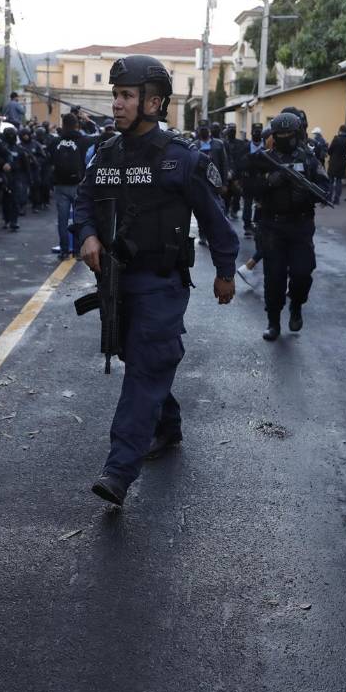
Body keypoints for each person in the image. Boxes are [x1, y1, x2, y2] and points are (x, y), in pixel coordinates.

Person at [74, 55, 238, 507]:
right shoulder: (106, 153)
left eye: (126, 96)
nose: (117, 104)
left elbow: (217, 222)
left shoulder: (181, 159)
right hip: (117, 282)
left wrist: (225, 272)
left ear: (154, 102)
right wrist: (87, 234)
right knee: (137, 358)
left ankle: (118, 471)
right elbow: (83, 203)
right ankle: (167, 426)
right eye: (116, 95)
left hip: (162, 284)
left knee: (146, 367)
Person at [251, 111, 329, 341]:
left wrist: (306, 192)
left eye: (289, 133)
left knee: (302, 273)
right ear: (274, 135)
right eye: (280, 134)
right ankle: (273, 321)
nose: (284, 137)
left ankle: (296, 305)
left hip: (301, 226)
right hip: (272, 226)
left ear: (297, 134)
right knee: (273, 277)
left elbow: (323, 187)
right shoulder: (264, 158)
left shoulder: (308, 158)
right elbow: (248, 188)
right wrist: (269, 181)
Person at [50, 112, 90, 260]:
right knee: (79, 219)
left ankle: (64, 251)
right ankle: (78, 251)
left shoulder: (55, 142)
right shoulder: (83, 140)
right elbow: (99, 135)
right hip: (78, 185)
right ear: (76, 125)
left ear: (63, 125)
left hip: (60, 185)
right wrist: (87, 121)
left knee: (62, 220)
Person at [326, 124, 346, 205]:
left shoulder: (336, 139)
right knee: (339, 181)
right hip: (342, 162)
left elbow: (330, 150)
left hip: (334, 162)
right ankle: (337, 199)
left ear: (340, 130)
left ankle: (329, 198)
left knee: (330, 180)